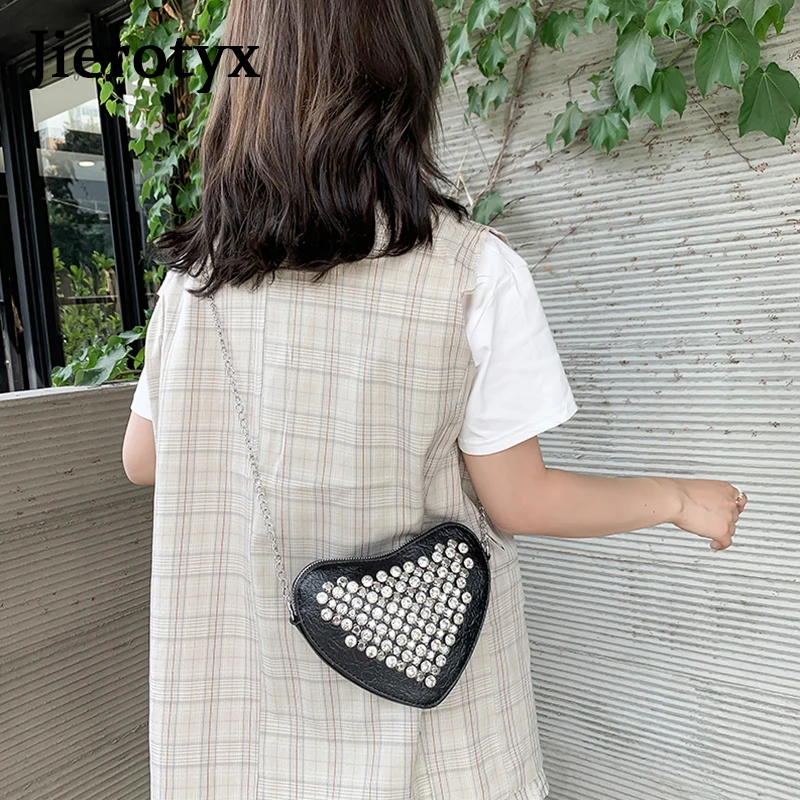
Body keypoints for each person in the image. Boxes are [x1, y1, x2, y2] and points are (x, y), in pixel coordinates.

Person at [121, 0, 748, 797]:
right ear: (406, 71)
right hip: (428, 737)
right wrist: (677, 498)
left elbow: (144, 458)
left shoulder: (194, 286)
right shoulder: (471, 273)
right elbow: (521, 499)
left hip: (244, 741)